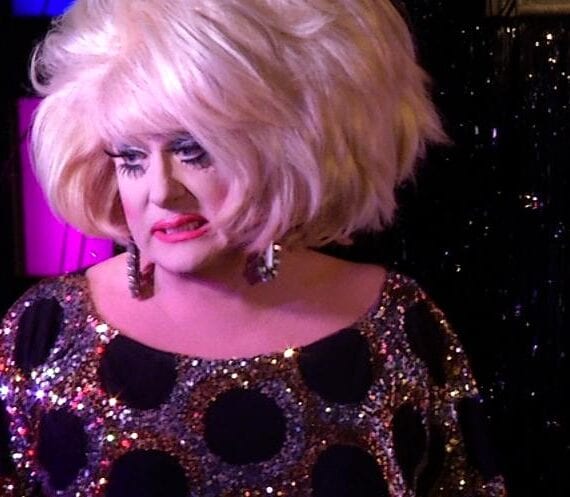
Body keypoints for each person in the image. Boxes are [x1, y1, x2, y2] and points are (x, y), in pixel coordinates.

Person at [0, 0, 507, 496]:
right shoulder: (47, 331)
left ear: (284, 144)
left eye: (193, 150)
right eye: (131, 157)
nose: (161, 191)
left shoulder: (394, 322)